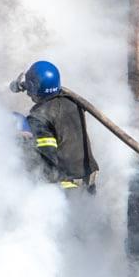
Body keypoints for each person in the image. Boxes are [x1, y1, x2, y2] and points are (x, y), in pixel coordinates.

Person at [10, 60, 99, 191]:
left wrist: (20, 146)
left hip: (66, 190)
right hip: (88, 183)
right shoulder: (73, 102)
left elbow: (47, 165)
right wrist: (21, 86)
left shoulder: (38, 119)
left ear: (34, 87)